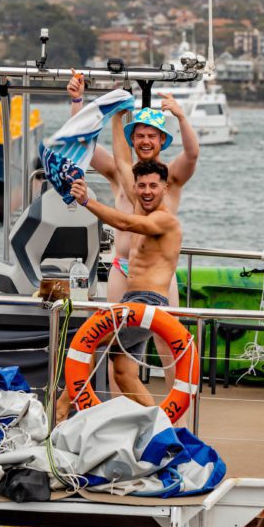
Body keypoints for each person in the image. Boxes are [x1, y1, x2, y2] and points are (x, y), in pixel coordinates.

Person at [66, 73, 199, 400]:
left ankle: (176, 422)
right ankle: (118, 413)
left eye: (152, 135)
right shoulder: (118, 172)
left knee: (169, 348)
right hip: (121, 269)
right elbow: (83, 146)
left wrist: (181, 116)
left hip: (159, 279)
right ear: (131, 138)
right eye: (139, 135)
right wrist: (77, 102)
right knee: (118, 353)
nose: (145, 141)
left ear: (162, 140)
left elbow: (193, 154)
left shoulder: (171, 178)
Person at [68, 160, 182, 407]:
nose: (147, 191)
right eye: (141, 186)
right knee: (123, 372)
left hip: (148, 305)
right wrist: (118, 120)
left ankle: (62, 411)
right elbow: (121, 161)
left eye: (153, 185)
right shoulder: (142, 211)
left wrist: (87, 201)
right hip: (131, 301)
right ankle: (158, 426)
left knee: (88, 339)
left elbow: (124, 223)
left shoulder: (165, 220)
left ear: (165, 188)